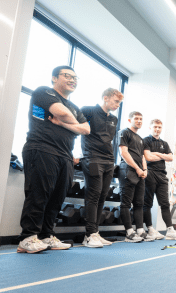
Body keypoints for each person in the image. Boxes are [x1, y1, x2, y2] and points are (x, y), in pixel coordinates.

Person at [17, 66, 90, 253]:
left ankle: (46, 236)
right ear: (54, 78)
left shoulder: (74, 106)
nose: (73, 80)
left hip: (65, 155)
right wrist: (72, 122)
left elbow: (87, 130)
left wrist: (62, 123)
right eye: (68, 76)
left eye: (75, 77)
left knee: (57, 199)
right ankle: (28, 237)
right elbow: (63, 113)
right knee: (38, 194)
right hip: (42, 148)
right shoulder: (44, 92)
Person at [80, 88, 122, 248]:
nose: (118, 105)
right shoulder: (88, 111)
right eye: (116, 101)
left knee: (103, 196)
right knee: (93, 195)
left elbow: (110, 141)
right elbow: (77, 129)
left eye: (119, 102)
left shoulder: (114, 119)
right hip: (92, 158)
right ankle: (89, 235)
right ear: (105, 98)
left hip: (108, 160)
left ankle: (95, 232)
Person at [142, 119, 176, 240]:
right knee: (147, 203)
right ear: (150, 128)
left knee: (165, 204)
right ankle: (150, 229)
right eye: (155, 127)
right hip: (150, 173)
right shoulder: (145, 141)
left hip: (162, 175)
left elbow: (171, 157)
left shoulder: (164, 144)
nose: (157, 129)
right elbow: (148, 157)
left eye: (159, 127)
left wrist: (157, 154)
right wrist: (162, 156)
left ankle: (170, 230)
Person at [118, 111, 151, 242]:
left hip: (140, 173)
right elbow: (123, 153)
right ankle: (129, 233)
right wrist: (137, 168)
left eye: (141, 119)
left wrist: (145, 169)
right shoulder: (124, 132)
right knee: (126, 203)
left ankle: (140, 230)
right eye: (136, 118)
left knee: (139, 203)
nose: (139, 121)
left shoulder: (140, 139)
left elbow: (142, 156)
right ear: (129, 120)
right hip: (128, 170)